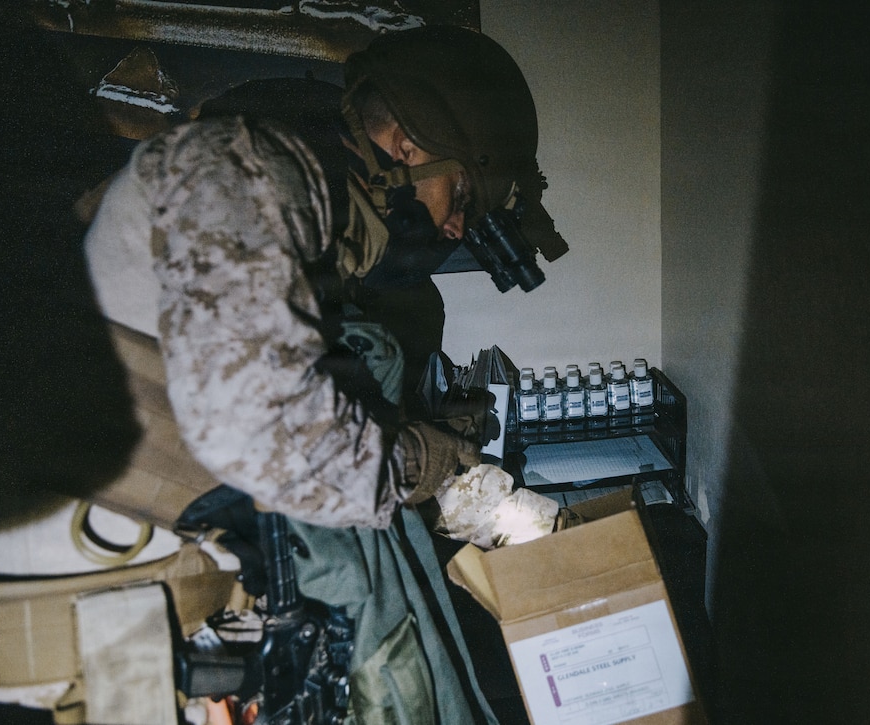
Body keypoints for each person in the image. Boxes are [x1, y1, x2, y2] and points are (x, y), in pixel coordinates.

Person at [79, 24, 567, 724]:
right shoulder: (237, 173)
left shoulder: (307, 221)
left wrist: (469, 484)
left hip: (194, 556)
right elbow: (277, 439)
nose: (456, 230)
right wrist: (416, 458)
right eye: (459, 197)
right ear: (407, 146)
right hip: (127, 579)